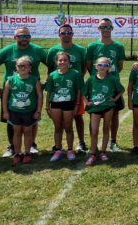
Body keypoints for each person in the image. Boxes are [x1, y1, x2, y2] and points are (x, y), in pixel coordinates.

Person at [0, 27, 47, 158]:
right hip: (12, 92)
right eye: (21, 36)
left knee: (32, 120)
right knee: (11, 120)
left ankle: (31, 145)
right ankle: (12, 147)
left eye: (27, 36)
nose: (24, 39)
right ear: (15, 37)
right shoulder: (7, 50)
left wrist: (46, 83)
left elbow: (52, 65)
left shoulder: (37, 50)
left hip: (30, 91)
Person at [46, 24, 88, 154]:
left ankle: (81, 142)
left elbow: (84, 68)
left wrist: (76, 82)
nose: (66, 35)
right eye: (63, 33)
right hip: (59, 91)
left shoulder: (80, 50)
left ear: (72, 34)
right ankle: (58, 146)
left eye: (68, 32)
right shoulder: (53, 50)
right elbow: (50, 71)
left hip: (75, 89)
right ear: (59, 34)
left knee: (78, 116)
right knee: (59, 121)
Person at [85, 18, 125, 153]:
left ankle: (113, 142)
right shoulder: (92, 46)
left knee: (114, 115)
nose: (105, 29)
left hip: (112, 86)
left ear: (112, 29)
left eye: (108, 27)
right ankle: (93, 144)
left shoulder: (118, 46)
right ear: (99, 29)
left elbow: (119, 66)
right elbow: (89, 65)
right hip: (96, 85)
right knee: (94, 115)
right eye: (103, 27)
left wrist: (109, 78)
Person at [2, 56, 43, 165]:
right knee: (17, 132)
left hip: (29, 111)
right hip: (14, 111)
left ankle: (27, 153)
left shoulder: (34, 80)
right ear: (16, 67)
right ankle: (17, 153)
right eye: (20, 65)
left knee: (27, 132)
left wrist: (38, 111)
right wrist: (5, 111)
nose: (23, 67)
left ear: (30, 67)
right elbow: (5, 97)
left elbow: (39, 96)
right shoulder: (10, 80)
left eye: (25, 65)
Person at [83, 57, 124, 166]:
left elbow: (121, 90)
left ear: (109, 68)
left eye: (105, 65)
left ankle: (103, 152)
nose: (102, 67)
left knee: (106, 128)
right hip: (95, 107)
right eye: (100, 65)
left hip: (108, 106)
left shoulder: (112, 79)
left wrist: (115, 99)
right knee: (94, 130)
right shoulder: (91, 79)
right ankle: (93, 153)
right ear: (96, 66)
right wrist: (86, 102)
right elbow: (83, 93)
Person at [45, 51, 84, 162]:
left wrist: (77, 104)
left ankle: (70, 150)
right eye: (60, 60)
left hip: (69, 104)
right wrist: (47, 106)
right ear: (56, 62)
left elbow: (78, 91)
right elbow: (49, 91)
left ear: (69, 62)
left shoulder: (75, 74)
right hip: (55, 104)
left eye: (65, 60)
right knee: (57, 128)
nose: (62, 62)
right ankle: (58, 150)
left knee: (68, 127)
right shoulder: (52, 75)